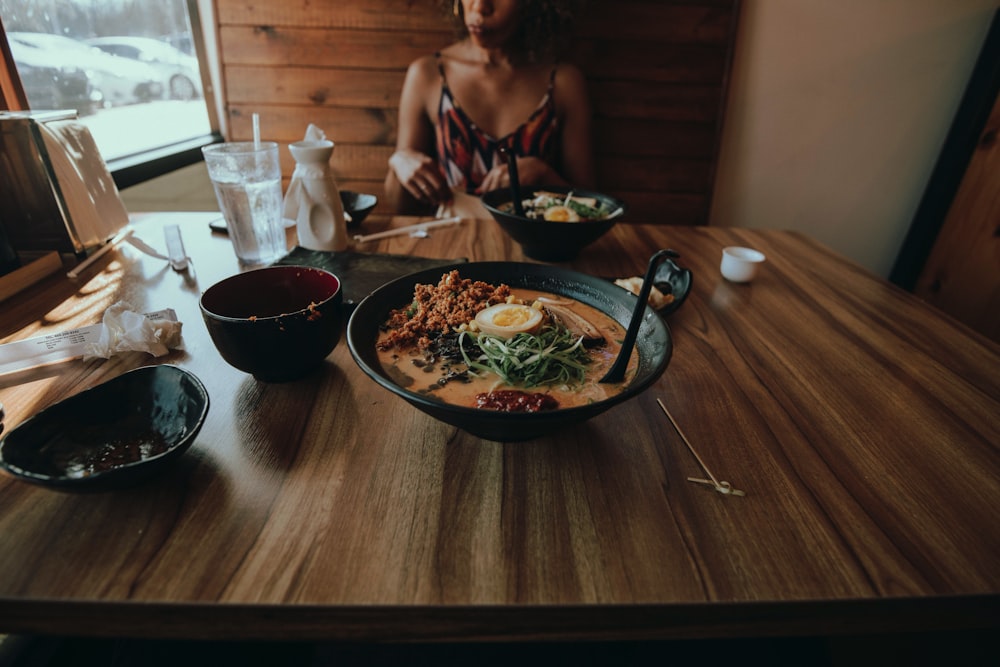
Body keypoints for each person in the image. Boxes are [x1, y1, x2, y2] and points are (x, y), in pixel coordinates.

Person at [384, 0, 595, 215]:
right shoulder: (429, 75)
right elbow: (400, 205)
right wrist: (400, 161)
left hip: (535, 246)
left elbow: (591, 206)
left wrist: (543, 174)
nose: (479, 7)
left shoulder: (562, 83)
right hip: (449, 242)